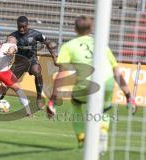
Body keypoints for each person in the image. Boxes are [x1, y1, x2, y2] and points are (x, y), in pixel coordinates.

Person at [46, 16, 137, 150]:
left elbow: (62, 74)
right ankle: (103, 132)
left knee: (75, 104)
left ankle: (82, 138)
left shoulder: (69, 46)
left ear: (75, 29)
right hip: (107, 80)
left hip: (87, 83)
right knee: (105, 108)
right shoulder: (101, 44)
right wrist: (129, 96)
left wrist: (52, 100)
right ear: (91, 28)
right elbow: (117, 73)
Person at [7, 16, 58, 109]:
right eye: (19, 27)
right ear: (17, 26)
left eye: (24, 27)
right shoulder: (13, 36)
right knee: (7, 81)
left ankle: (39, 98)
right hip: (19, 62)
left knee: (37, 71)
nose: (22, 29)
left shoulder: (35, 34)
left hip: (32, 60)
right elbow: (7, 49)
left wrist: (54, 58)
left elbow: (48, 43)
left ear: (27, 25)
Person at [0, 36, 31, 116]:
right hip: (1, 70)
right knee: (18, 89)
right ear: (13, 41)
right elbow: (12, 48)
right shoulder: (12, 44)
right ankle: (28, 112)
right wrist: (11, 51)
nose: (16, 43)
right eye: (16, 42)